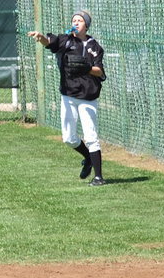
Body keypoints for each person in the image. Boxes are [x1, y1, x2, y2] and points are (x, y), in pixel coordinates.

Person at [28, 10, 106, 186]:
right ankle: (87, 157)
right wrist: (40, 37)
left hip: (88, 96)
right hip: (69, 95)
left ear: (86, 25)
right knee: (69, 138)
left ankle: (99, 177)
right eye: (74, 20)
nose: (76, 22)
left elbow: (99, 71)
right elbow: (50, 42)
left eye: (80, 20)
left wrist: (86, 69)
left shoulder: (94, 46)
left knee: (91, 136)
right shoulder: (65, 40)